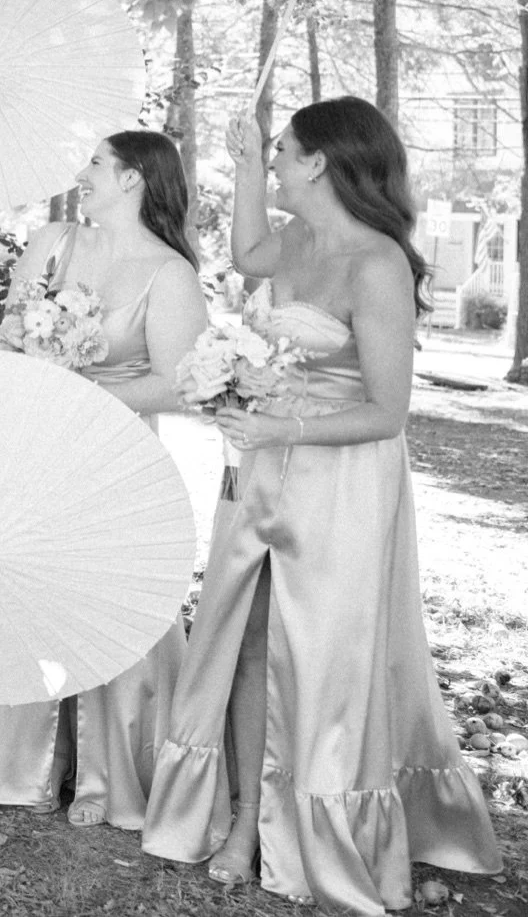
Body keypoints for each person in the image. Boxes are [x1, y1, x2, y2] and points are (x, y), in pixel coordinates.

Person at [142, 99, 499, 912]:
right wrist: (240, 167)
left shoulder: (377, 265)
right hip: (263, 466)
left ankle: (322, 823)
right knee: (245, 638)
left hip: (341, 482)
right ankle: (242, 822)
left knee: (321, 658)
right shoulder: (297, 239)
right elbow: (247, 252)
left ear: (318, 164)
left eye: (282, 152)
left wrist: (281, 422)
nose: (275, 161)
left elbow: (388, 411)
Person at [0, 130, 210, 829]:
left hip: (115, 450)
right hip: (36, 441)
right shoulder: (51, 242)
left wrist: (86, 395)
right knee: (25, 586)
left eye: (97, 165)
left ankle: (112, 775)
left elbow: (179, 384)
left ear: (135, 178)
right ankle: (25, 769)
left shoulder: (170, 275)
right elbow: (9, 332)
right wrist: (26, 362)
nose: (82, 174)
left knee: (110, 601)